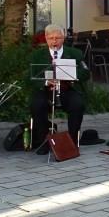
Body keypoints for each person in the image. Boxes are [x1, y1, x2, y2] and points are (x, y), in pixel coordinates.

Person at [28, 25, 90, 153]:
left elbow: (86, 73)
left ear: (64, 38)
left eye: (58, 38)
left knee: (77, 105)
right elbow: (29, 76)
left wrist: (70, 74)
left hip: (68, 89)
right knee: (37, 105)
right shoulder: (37, 55)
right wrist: (45, 82)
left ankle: (72, 141)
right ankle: (44, 141)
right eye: (51, 38)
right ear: (46, 38)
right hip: (45, 90)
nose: (54, 41)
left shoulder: (75, 53)